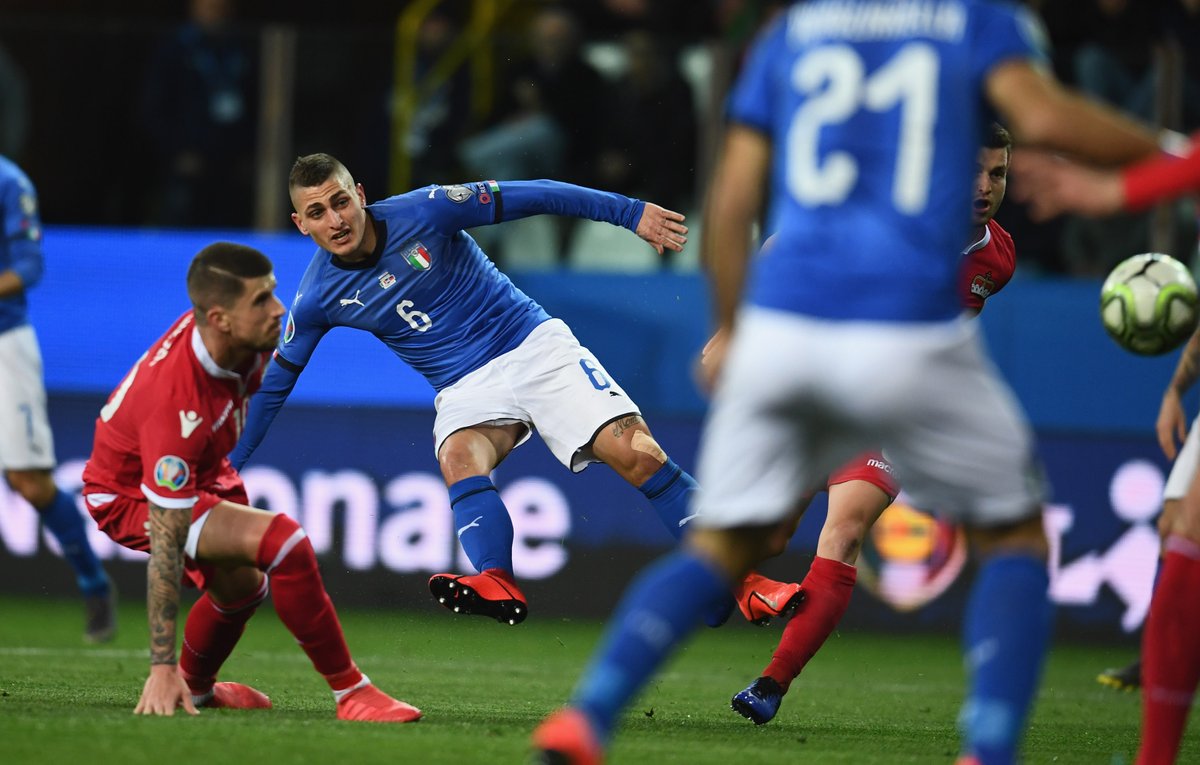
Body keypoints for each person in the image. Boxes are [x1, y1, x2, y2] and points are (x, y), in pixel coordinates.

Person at [531, 2, 1166, 763]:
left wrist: (736, 329)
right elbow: (1046, 114)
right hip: (901, 325)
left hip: (795, 326)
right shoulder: (970, 20)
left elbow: (730, 203)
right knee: (1016, 536)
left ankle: (590, 714)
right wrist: (1174, 152)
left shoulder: (790, 34)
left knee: (722, 545)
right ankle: (989, 748)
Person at [230, 153, 802, 629]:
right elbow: (275, 385)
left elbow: (538, 193)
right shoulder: (315, 299)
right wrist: (229, 464)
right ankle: (496, 579)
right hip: (462, 384)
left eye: (339, 201)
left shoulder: (428, 210)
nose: (334, 219)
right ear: (299, 224)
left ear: (358, 192)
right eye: (316, 213)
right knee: (459, 454)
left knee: (637, 454)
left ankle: (746, 581)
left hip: (532, 347)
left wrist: (630, 214)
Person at [730, 123, 1020, 725]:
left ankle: (770, 685)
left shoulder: (999, 258)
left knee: (844, 534)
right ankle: (728, 586)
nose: (984, 186)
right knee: (769, 537)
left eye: (997, 175)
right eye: (973, 170)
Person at [80, 242, 420, 721]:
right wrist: (160, 666)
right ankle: (352, 693)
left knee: (242, 590)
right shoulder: (176, 402)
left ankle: (196, 689)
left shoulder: (243, 339)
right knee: (286, 543)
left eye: (274, 293)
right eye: (261, 300)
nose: (278, 309)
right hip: (129, 494)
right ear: (219, 318)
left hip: (203, 464)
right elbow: (167, 545)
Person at [0, 155, 115, 643]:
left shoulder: (9, 182)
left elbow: (29, 266)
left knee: (28, 481)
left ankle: (93, 581)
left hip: (5, 339)